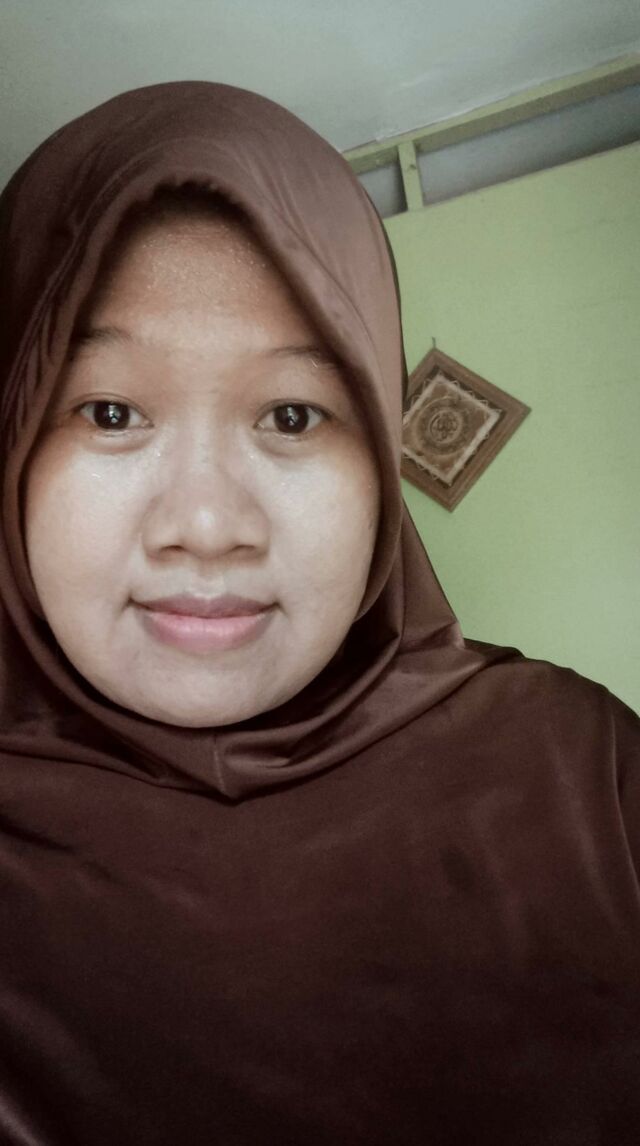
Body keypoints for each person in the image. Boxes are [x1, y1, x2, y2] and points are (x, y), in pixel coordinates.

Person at [0, 81, 638, 1146]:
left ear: (379, 453)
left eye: (292, 416)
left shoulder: (585, 778)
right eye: (110, 411)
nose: (208, 525)